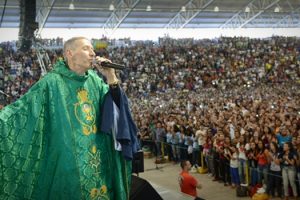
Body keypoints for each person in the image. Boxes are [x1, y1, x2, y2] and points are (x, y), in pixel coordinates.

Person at [0, 37, 138, 199]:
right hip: (67, 167)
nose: (93, 53)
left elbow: (114, 113)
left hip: (100, 164)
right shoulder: (51, 83)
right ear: (70, 53)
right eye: (86, 49)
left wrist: (111, 77)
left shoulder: (94, 80)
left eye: (92, 49)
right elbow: (22, 111)